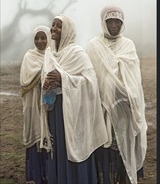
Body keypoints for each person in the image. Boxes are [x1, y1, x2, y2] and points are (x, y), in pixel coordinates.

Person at [40, 14, 109, 184]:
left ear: (68, 30)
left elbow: (91, 82)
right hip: (56, 111)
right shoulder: (49, 53)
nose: (54, 28)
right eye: (53, 25)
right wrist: (47, 84)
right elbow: (45, 78)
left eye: (59, 25)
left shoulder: (77, 52)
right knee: (59, 150)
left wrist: (63, 78)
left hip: (74, 112)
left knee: (75, 149)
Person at [87, 5, 148, 184]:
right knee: (107, 148)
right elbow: (92, 76)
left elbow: (135, 78)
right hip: (103, 106)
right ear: (103, 22)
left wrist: (126, 94)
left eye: (117, 21)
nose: (113, 25)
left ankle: (125, 178)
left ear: (122, 23)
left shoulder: (128, 45)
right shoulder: (94, 45)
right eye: (109, 21)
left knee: (125, 146)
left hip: (125, 105)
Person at [20, 25, 51, 184]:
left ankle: (49, 175)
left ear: (49, 38)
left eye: (43, 37)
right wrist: (42, 74)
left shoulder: (53, 55)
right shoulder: (29, 57)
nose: (40, 41)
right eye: (37, 38)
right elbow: (25, 83)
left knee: (49, 136)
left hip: (48, 106)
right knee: (36, 134)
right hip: (33, 105)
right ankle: (36, 176)